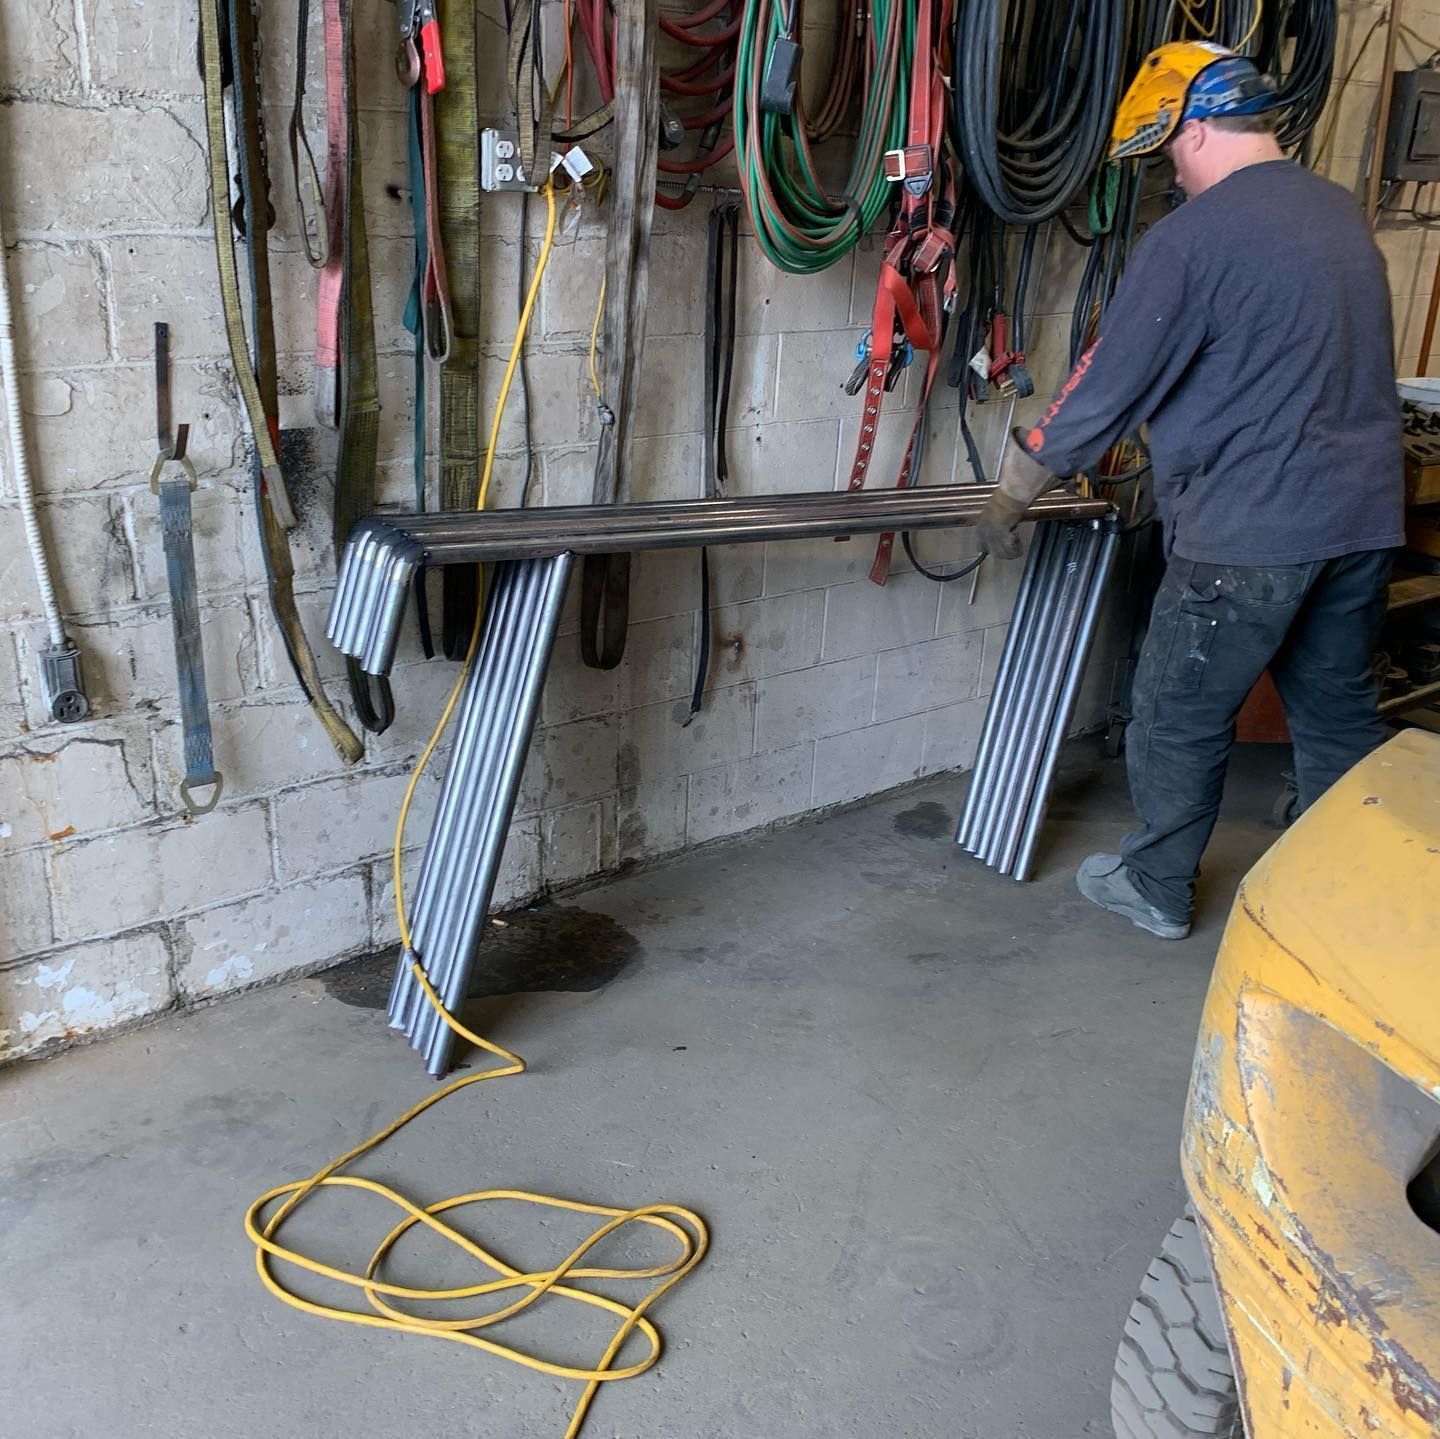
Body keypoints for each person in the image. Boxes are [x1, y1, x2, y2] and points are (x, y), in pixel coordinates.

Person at [975, 42, 1405, 940]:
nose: (1169, 168)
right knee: (1334, 714)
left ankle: (1157, 885)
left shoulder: (1193, 240)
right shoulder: (1338, 214)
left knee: (1175, 713)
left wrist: (1015, 487)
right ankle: (1343, 888)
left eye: (1170, 146)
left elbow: (1106, 385)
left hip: (1246, 534)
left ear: (1199, 127)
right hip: (1360, 520)